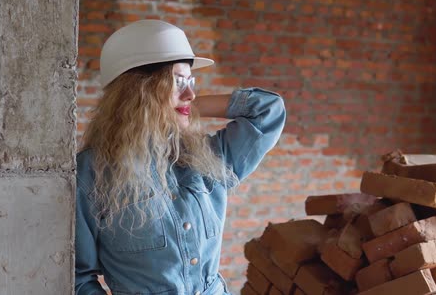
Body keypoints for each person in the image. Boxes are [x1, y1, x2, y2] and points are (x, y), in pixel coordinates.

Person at [76, 20, 286, 295]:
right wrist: (162, 106)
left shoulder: (208, 156)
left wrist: (182, 104)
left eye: (191, 81)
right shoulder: (92, 172)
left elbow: (268, 110)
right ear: (139, 92)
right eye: (177, 82)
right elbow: (79, 278)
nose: (192, 93)